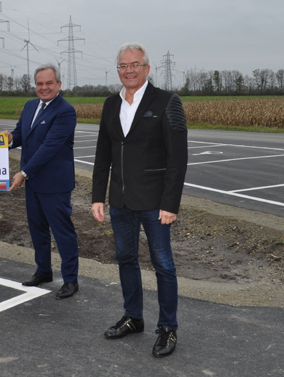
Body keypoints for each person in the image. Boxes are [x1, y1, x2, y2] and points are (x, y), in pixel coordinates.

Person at [91, 43, 188, 358]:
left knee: (163, 265)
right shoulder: (110, 104)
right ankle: (134, 317)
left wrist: (171, 204)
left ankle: (168, 328)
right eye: (123, 65)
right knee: (126, 259)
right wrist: (98, 197)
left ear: (147, 68)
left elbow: (178, 158)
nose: (128, 70)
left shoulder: (167, 102)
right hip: (120, 201)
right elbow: (103, 154)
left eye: (135, 64)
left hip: (155, 203)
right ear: (117, 70)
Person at [2, 63, 79, 299]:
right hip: (33, 182)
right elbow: (19, 135)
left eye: (49, 83)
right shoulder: (30, 105)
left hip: (54, 183)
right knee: (37, 230)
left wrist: (23, 173)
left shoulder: (65, 111)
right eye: (39, 84)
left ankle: (70, 280)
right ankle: (43, 271)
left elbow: (49, 148)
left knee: (62, 232)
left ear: (58, 84)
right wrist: (6, 139)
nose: (43, 88)